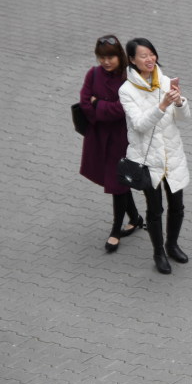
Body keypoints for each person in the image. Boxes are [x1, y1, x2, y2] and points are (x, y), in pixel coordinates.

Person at [119, 37, 191, 274]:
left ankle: (172, 245)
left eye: (151, 54)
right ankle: (158, 252)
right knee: (155, 209)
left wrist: (179, 102)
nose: (149, 59)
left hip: (172, 154)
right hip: (147, 159)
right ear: (132, 60)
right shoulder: (126, 90)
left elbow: (183, 119)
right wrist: (161, 106)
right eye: (143, 56)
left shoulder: (166, 81)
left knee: (177, 206)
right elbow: (139, 125)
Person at [79, 34, 143, 253]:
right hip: (100, 138)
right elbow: (85, 102)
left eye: (110, 57)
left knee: (117, 185)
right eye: (101, 57)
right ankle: (135, 218)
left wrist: (100, 106)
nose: (106, 62)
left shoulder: (129, 77)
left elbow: (122, 109)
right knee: (119, 182)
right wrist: (104, 108)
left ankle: (116, 230)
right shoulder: (93, 74)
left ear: (120, 56)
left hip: (121, 140)